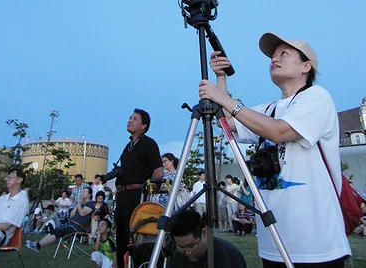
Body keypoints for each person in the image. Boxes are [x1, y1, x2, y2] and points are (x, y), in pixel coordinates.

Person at [199, 33, 352, 267]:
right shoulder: (270, 108)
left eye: (283, 54)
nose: (274, 59)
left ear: (306, 66)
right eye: (272, 55)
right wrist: (221, 79)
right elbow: (228, 122)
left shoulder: (316, 97)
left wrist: (226, 100)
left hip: (316, 245)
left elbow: (279, 132)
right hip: (274, 243)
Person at [111, 108, 163, 267]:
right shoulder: (128, 147)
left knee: (133, 236)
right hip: (122, 196)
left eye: (134, 119)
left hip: (136, 195)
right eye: (129, 118)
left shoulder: (148, 143)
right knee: (120, 238)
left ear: (144, 126)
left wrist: (148, 188)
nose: (130, 120)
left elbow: (158, 171)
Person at [26, 185, 95, 253]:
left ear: (89, 195)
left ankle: (37, 245)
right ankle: (37, 244)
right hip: (71, 223)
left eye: (85, 192)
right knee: (56, 230)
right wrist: (78, 204)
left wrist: (79, 204)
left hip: (78, 227)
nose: (83, 193)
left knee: (59, 231)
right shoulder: (80, 203)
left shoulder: (90, 204)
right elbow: (71, 215)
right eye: (82, 192)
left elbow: (82, 213)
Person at [169, 208, 247, 267]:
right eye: (181, 247)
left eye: (191, 246)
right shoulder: (179, 256)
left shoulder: (228, 257)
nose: (187, 252)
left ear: (204, 233)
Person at [0, 167, 29, 247]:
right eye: (7, 177)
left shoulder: (22, 201)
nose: (7, 179)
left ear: (19, 180)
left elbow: (6, 226)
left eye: (10, 177)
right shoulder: (1, 199)